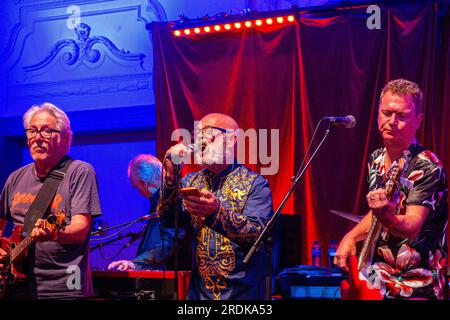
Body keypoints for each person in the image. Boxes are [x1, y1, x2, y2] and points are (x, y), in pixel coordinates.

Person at [334, 79, 448, 300]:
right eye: (386, 113)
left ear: (418, 120)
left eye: (402, 115)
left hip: (417, 283)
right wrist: (351, 236)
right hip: (380, 279)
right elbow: (376, 215)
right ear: (378, 114)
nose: (392, 121)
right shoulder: (376, 159)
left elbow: (413, 225)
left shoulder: (427, 166)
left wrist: (390, 218)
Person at [160, 113, 274, 300]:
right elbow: (168, 221)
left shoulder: (256, 184)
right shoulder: (191, 180)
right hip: (199, 293)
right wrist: (170, 179)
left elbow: (257, 235)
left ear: (232, 140)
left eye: (210, 133)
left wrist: (215, 213)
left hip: (242, 294)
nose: (202, 140)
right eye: (199, 135)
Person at [0, 102, 102, 299]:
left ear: (65, 139)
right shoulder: (15, 178)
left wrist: (53, 234)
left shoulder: (80, 172)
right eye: (32, 131)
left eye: (47, 131)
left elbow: (81, 229)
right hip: (16, 287)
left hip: (64, 287)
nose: (38, 138)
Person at [107, 154, 186, 271]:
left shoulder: (171, 201)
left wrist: (137, 264)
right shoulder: (157, 202)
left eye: (136, 187)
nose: (138, 192)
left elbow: (171, 241)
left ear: (143, 183)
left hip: (167, 281)